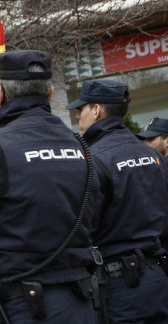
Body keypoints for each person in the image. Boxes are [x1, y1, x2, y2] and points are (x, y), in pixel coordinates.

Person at [0, 50, 99, 323]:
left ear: (1, 94)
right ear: (49, 93)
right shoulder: (79, 144)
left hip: (26, 305)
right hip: (80, 300)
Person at [67, 79, 168, 322]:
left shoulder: (92, 160)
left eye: (81, 109)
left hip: (119, 283)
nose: (78, 115)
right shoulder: (153, 155)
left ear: (96, 110)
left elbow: (82, 229)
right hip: (158, 275)